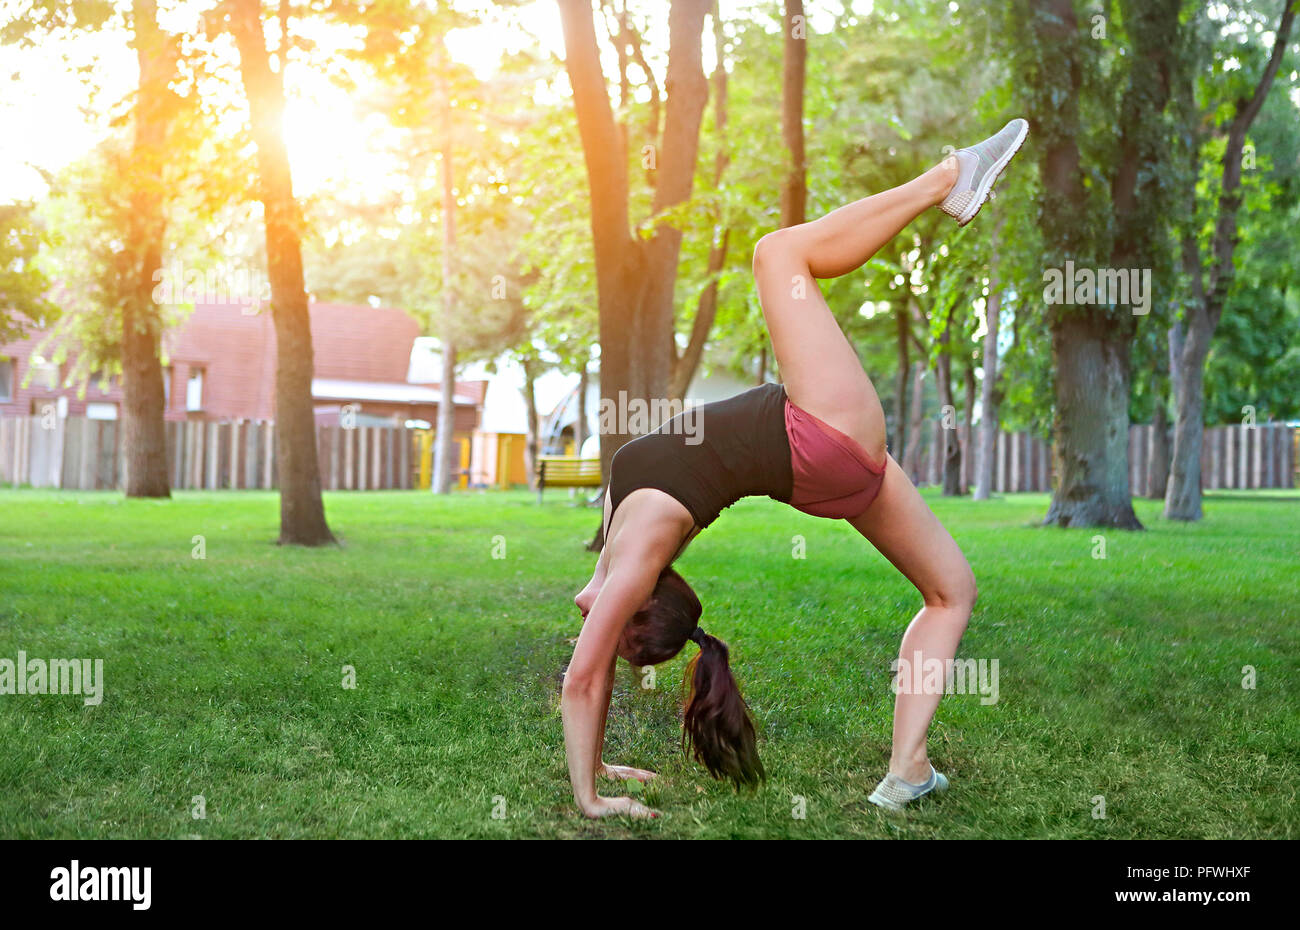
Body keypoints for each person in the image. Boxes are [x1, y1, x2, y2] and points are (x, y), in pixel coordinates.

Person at [563, 119, 1029, 819]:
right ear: (639, 598)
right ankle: (947, 180)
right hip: (817, 435)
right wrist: (592, 797)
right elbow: (582, 679)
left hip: (819, 468)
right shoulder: (641, 547)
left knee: (950, 592)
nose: (585, 616)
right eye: (613, 622)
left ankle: (908, 771)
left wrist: (599, 756)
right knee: (777, 253)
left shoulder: (621, 548)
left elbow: (593, 631)